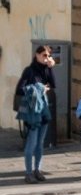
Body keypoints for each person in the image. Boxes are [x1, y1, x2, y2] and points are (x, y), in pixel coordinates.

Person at [14, 45, 55, 184]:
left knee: (40, 144)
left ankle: (37, 169)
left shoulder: (46, 69)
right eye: (44, 55)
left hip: (43, 110)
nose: (46, 58)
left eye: (48, 55)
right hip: (32, 113)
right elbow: (20, 89)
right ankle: (28, 172)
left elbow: (53, 85)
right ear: (36, 55)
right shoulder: (29, 70)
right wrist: (38, 88)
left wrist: (50, 68)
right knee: (31, 144)